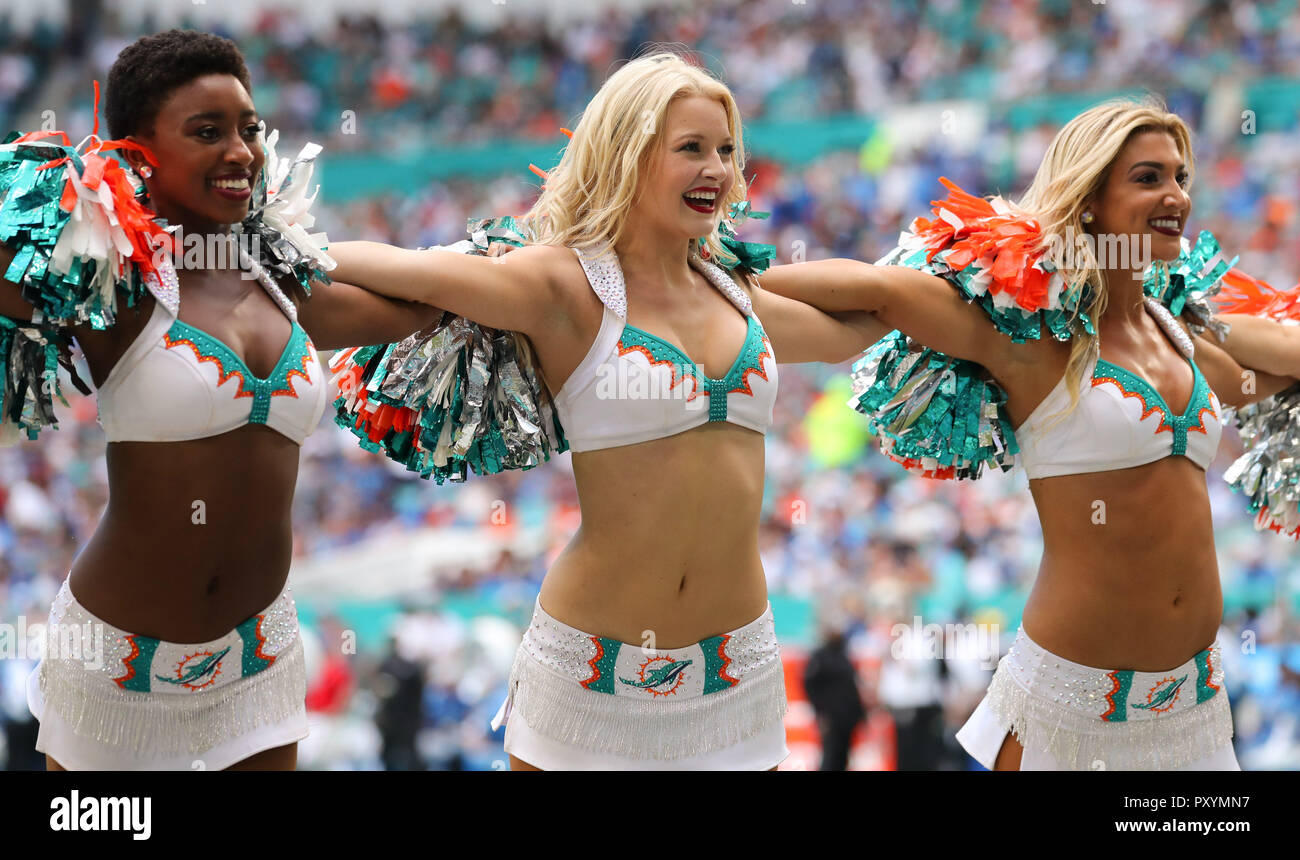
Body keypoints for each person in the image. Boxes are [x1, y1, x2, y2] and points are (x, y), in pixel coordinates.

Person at [322, 50, 885, 770]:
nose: (717, 168)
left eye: (725, 150)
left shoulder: (738, 295)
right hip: (590, 674)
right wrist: (251, 249)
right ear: (629, 155)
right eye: (690, 149)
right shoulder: (566, 286)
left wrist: (948, 293)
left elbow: (861, 321)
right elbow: (407, 270)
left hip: (736, 671)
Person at [761, 97, 1295, 770]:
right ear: (1091, 200)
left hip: (1194, 709)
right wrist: (720, 281)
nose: (1176, 195)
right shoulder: (1036, 339)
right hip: (1070, 711)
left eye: (1181, 177)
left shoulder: (1180, 335)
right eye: (1148, 177)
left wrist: (1240, 330)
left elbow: (1274, 367)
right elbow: (882, 290)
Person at [0, 29, 439, 770]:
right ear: (138, 151)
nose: (241, 151)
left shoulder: (285, 287)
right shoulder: (115, 286)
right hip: (118, 664)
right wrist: (76, 188)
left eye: (249, 129)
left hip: (255, 660)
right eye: (208, 132)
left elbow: (422, 302)